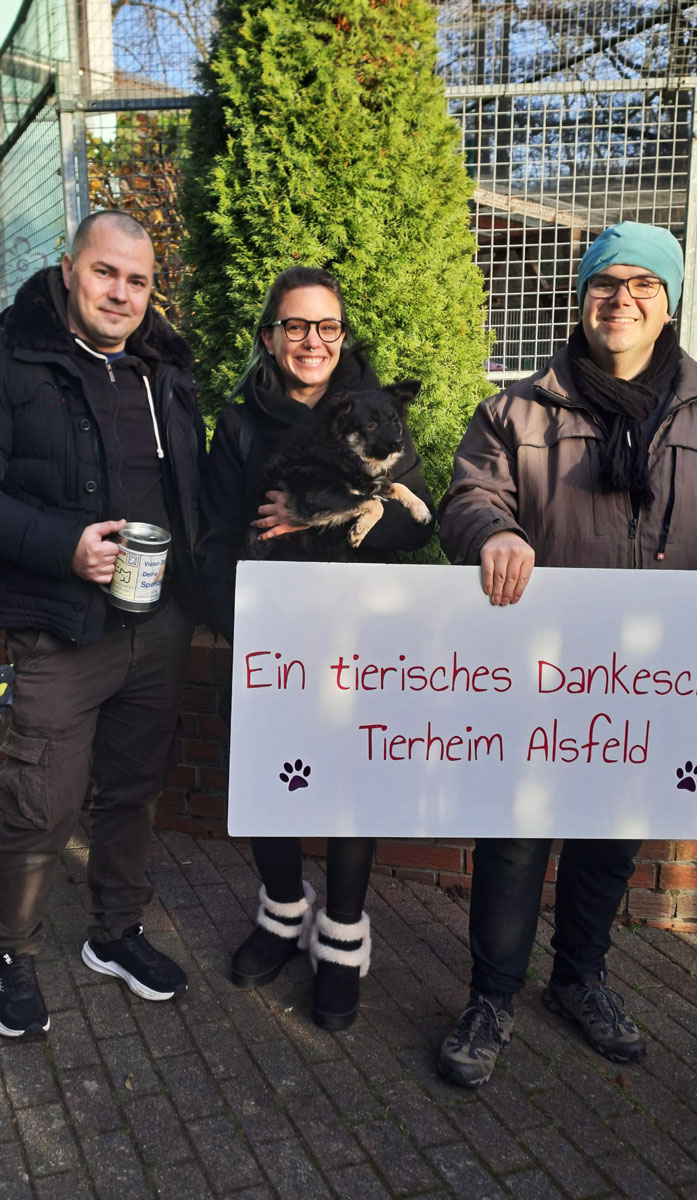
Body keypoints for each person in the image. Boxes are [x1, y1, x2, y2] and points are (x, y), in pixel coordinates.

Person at [434, 221, 697, 1087]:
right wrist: (494, 531)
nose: (624, 299)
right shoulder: (516, 410)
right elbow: (468, 498)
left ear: (669, 303)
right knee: (515, 837)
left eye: (645, 285)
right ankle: (491, 998)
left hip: (650, 678)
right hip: (538, 672)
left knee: (611, 835)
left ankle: (580, 979)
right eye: (607, 283)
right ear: (583, 298)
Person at [0, 211, 205, 1037]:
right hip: (57, 625)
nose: (121, 293)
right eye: (105, 272)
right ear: (70, 268)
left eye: (138, 280)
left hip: (157, 623)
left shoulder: (166, 369)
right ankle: (7, 950)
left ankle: (115, 933)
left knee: (133, 791)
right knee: (42, 802)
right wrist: (63, 547)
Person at [198, 266, 435, 1030]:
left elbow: (418, 524)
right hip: (270, 634)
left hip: (355, 632)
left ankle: (341, 936)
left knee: (348, 782)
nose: (312, 340)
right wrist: (236, 623)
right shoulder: (241, 422)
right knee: (270, 778)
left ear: (342, 336)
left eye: (326, 326)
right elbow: (216, 533)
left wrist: (318, 518)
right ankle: (280, 914)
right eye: (295, 325)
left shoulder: (377, 408)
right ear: (270, 337)